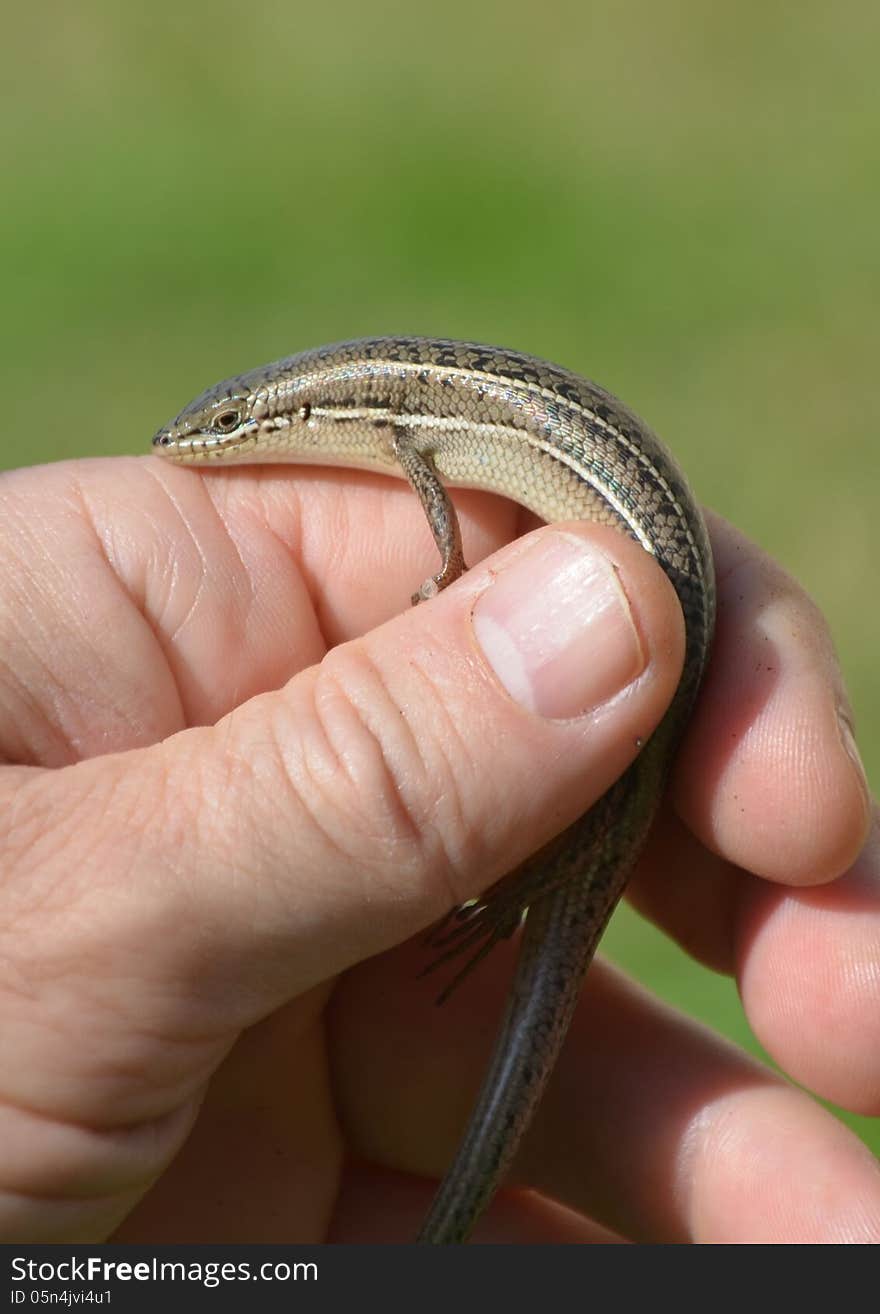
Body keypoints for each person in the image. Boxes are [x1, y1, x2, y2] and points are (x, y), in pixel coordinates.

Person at [0, 451, 876, 1244]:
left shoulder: (412, 439)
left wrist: (451, 579)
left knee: (617, 815)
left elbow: (440, 513)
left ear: (300, 422)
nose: (210, 443)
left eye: (229, 430)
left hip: (654, 598)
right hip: (654, 584)